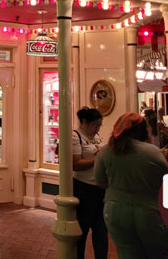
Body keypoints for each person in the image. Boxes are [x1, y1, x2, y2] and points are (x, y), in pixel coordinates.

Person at [94, 112, 168, 259]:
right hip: (149, 212)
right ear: (143, 130)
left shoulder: (105, 151)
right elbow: (166, 183)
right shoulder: (152, 152)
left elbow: (100, 181)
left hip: (115, 211)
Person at [72, 108, 106, 259]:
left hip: (100, 189)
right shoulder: (75, 136)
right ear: (84, 122)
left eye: (99, 126)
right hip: (84, 188)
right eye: (95, 125)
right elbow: (76, 164)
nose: (97, 129)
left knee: (101, 230)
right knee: (82, 229)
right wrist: (99, 159)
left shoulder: (97, 136)